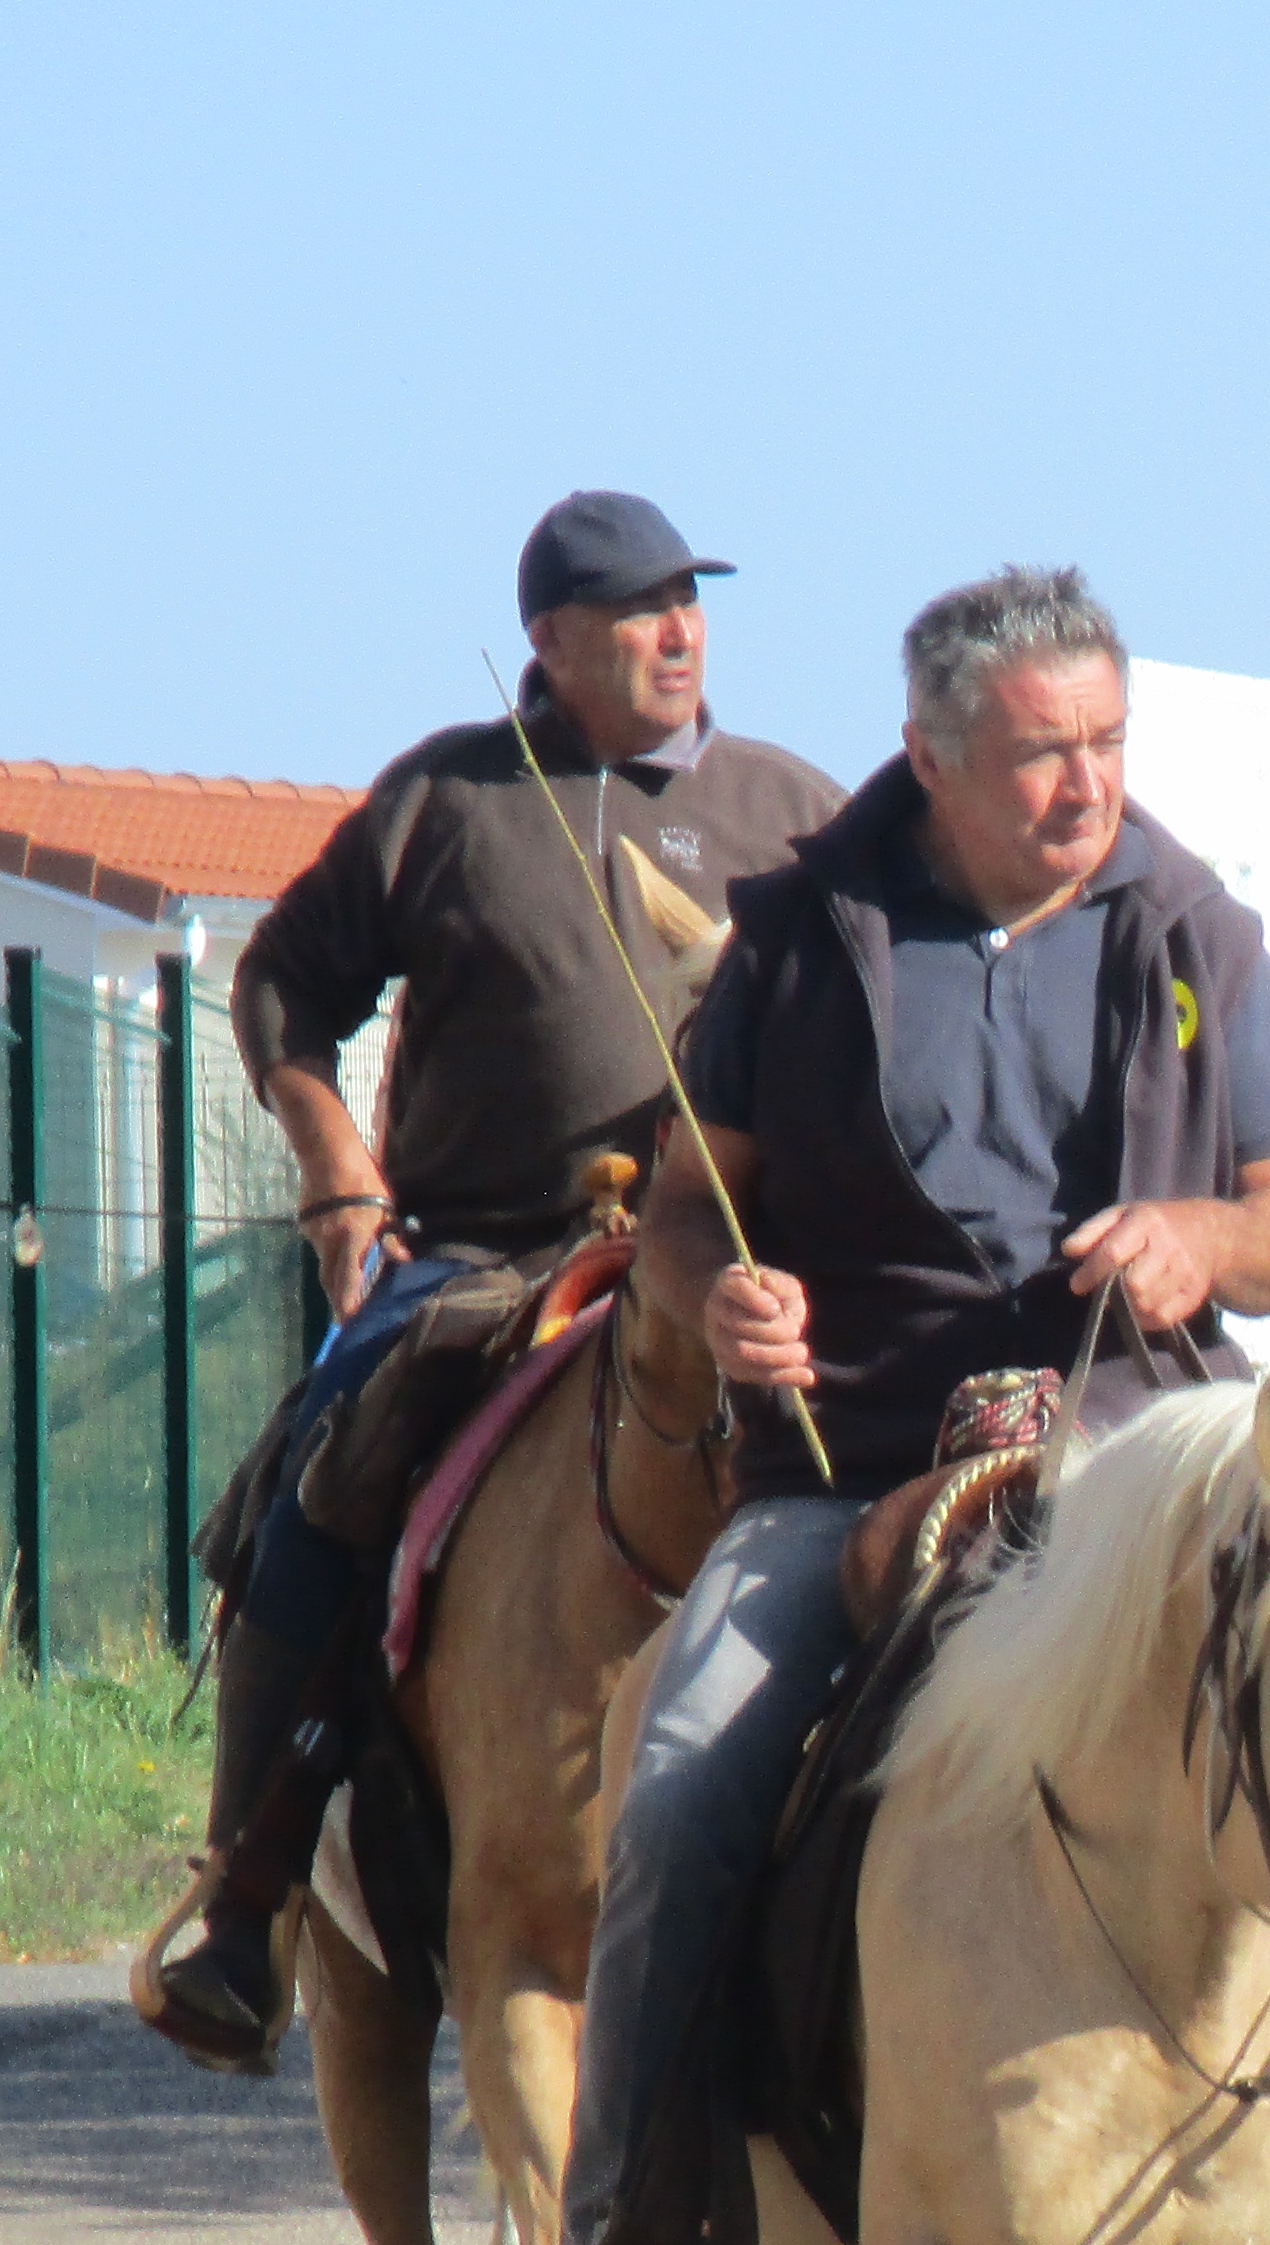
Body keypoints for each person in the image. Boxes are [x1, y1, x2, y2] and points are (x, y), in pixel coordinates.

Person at [535, 566, 1270, 2245]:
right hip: (855, 1465)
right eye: (1042, 752)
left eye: (1109, 743)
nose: (1086, 786)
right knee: (679, 1780)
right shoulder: (804, 937)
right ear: (932, 753)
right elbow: (676, 1208)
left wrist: (1199, 1231)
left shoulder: (1191, 924)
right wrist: (713, 1297)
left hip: (1146, 1456)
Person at [144, 490, 838, 2070]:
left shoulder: (799, 805)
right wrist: (333, 1164)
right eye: (637, 613)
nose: (678, 635)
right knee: (328, 1469)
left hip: (739, 1262)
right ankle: (248, 1891)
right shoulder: (447, 801)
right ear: (551, 642)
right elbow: (283, 988)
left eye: (690, 603)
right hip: (487, 1257)